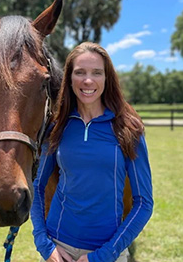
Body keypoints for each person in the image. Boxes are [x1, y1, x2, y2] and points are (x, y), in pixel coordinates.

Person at [31, 42, 153, 262]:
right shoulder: (57, 127)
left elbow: (144, 203)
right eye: (80, 73)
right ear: (69, 78)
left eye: (97, 73)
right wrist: (45, 246)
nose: (88, 81)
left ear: (107, 78)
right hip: (59, 249)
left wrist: (104, 255)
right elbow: (37, 187)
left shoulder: (129, 129)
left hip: (107, 252)